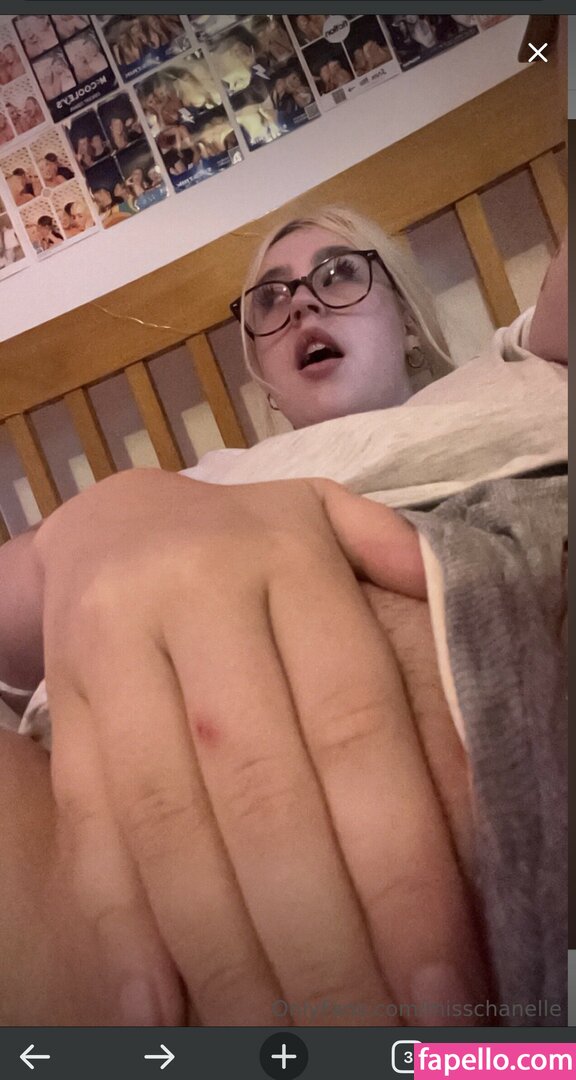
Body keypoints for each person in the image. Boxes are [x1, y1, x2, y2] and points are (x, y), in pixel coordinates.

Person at [0, 194, 566, 1028]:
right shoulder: (203, 481)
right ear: (265, 382)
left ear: (408, 323)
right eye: (271, 298)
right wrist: (74, 537)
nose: (301, 303)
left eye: (338, 274)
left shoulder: (516, 368)